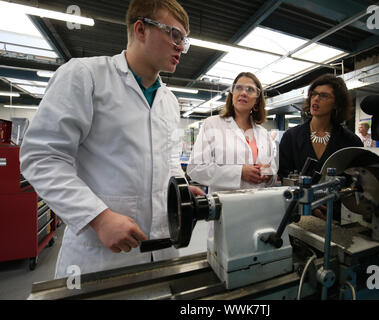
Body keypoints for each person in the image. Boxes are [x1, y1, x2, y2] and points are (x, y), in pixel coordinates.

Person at [19, 0, 203, 279]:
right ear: (140, 30)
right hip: (100, 258)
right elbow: (42, 158)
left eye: (184, 40)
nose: (181, 47)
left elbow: (169, 161)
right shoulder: (85, 76)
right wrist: (99, 217)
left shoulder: (169, 100)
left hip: (163, 250)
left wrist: (179, 189)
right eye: (174, 35)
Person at [278, 74, 363, 220]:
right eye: (314, 94)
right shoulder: (291, 137)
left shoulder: (350, 141)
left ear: (336, 104)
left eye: (324, 96)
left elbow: (353, 183)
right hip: (298, 212)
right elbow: (284, 176)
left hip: (335, 215)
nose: (316, 99)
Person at [187, 72, 277, 193]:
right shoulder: (212, 124)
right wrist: (239, 173)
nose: (243, 93)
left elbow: (272, 172)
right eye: (238, 88)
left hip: (258, 204)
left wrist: (269, 174)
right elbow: (195, 169)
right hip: (225, 206)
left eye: (250, 89)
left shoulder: (263, 134)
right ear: (232, 94)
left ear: (257, 100)